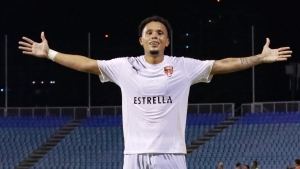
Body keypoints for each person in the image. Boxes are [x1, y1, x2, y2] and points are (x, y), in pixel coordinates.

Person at [18, 16, 292, 169]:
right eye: (149, 32)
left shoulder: (183, 67)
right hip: (133, 156)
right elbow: (86, 64)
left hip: (170, 156)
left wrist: (258, 58)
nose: (155, 36)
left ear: (167, 40)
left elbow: (222, 65)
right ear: (141, 40)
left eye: (160, 33)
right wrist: (50, 53)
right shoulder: (124, 67)